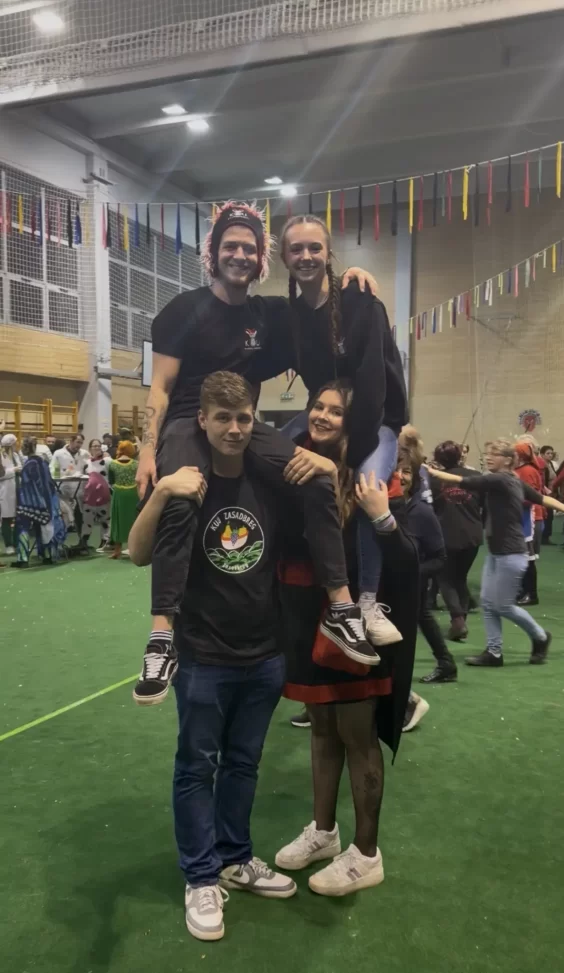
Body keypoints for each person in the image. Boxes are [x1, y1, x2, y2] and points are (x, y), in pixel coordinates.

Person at [133, 201, 380, 701]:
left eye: (249, 248)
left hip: (244, 424)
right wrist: (146, 450)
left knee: (316, 475)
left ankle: (340, 607)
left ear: (262, 257)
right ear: (214, 252)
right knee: (180, 495)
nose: (240, 255)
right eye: (231, 246)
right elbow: (160, 387)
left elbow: (318, 299)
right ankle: (161, 637)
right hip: (188, 421)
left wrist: (351, 278)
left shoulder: (269, 315)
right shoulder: (183, 310)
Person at [128, 372, 297, 941]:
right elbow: (138, 553)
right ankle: (200, 876)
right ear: (202, 420)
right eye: (223, 418)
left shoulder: (266, 482)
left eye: (244, 418)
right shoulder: (187, 481)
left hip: (264, 654)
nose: (234, 428)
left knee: (244, 764)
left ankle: (235, 857)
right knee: (197, 766)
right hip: (202, 657)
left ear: (255, 420)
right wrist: (163, 491)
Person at [275, 383, 420, 894]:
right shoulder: (294, 458)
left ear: (353, 423)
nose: (323, 416)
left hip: (356, 620)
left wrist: (380, 514)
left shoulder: (374, 475)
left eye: (336, 411)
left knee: (357, 733)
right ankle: (323, 832)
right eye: (318, 406)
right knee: (320, 727)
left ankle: (366, 853)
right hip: (305, 614)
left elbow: (409, 558)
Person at [254, 213, 408, 646]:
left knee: (367, 485)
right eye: (296, 249)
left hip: (377, 420)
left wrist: (351, 454)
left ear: (329, 254)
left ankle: (367, 602)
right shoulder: (292, 316)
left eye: (314, 248)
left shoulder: (361, 303)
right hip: (322, 410)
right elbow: (260, 362)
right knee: (264, 454)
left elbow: (375, 385)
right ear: (284, 258)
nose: (306, 256)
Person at [428, 440, 564, 666]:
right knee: (489, 603)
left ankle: (540, 636)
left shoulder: (500, 479)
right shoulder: (513, 480)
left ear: (508, 460)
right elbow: (541, 498)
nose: (488, 457)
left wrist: (428, 470)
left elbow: (463, 481)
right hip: (497, 553)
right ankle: (494, 652)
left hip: (511, 554)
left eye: (494, 454)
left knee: (503, 605)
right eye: (488, 453)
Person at [396, 429, 457, 685]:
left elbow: (440, 557)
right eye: (395, 471)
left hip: (411, 582)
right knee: (421, 616)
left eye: (406, 472)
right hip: (390, 585)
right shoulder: (380, 506)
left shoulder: (421, 512)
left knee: (416, 619)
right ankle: (446, 663)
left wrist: (412, 572)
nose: (400, 476)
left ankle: (444, 663)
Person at [430, 440, 483, 641]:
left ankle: (458, 620)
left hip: (446, 535)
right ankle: (460, 622)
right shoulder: (476, 477)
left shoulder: (434, 480)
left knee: (444, 578)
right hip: (473, 534)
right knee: (460, 578)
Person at [12, 436, 66, 567]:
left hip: (28, 502)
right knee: (43, 527)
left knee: (23, 527)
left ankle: (23, 559)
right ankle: (47, 556)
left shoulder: (28, 465)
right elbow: (48, 483)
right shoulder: (43, 463)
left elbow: (27, 484)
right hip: (45, 502)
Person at [514, 442, 544, 606]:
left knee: (527, 557)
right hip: (518, 517)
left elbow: (531, 497)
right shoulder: (521, 470)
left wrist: (509, 498)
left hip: (524, 518)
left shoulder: (527, 471)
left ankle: (531, 593)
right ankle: (523, 590)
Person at [49, 433, 89, 547]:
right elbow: (52, 469)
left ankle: (83, 543)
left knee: (81, 517)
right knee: (65, 517)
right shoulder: (59, 453)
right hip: (63, 490)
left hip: (80, 489)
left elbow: (89, 466)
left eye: (81, 443)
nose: (79, 445)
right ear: (71, 441)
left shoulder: (84, 453)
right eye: (77, 442)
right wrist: (59, 475)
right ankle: (60, 544)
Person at [108, 440, 138, 559]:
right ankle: (134, 549)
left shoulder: (112, 464)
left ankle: (117, 550)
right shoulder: (136, 464)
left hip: (119, 494)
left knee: (118, 521)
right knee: (133, 520)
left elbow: (111, 481)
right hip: (133, 493)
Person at [81, 439, 112, 552]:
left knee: (105, 519)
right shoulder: (86, 463)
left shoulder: (107, 461)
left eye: (98, 446)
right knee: (87, 519)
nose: (97, 448)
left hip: (104, 494)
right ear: (90, 448)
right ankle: (84, 541)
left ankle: (105, 541)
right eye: (94, 446)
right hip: (90, 496)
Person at [0, 433, 23, 555]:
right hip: (6, 490)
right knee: (7, 518)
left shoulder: (16, 455)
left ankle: (17, 543)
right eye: (15, 442)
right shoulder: (1, 456)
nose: (17, 444)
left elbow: (21, 466)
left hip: (18, 488)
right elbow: (1, 474)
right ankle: (9, 545)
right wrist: (13, 470)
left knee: (18, 517)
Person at [540, 445, 557, 544]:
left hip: (551, 494)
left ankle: (546, 536)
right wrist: (547, 492)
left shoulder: (550, 464)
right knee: (547, 515)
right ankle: (544, 537)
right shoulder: (542, 465)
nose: (550, 455)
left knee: (550, 516)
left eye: (551, 453)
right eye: (548, 453)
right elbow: (541, 481)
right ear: (542, 454)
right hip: (545, 494)